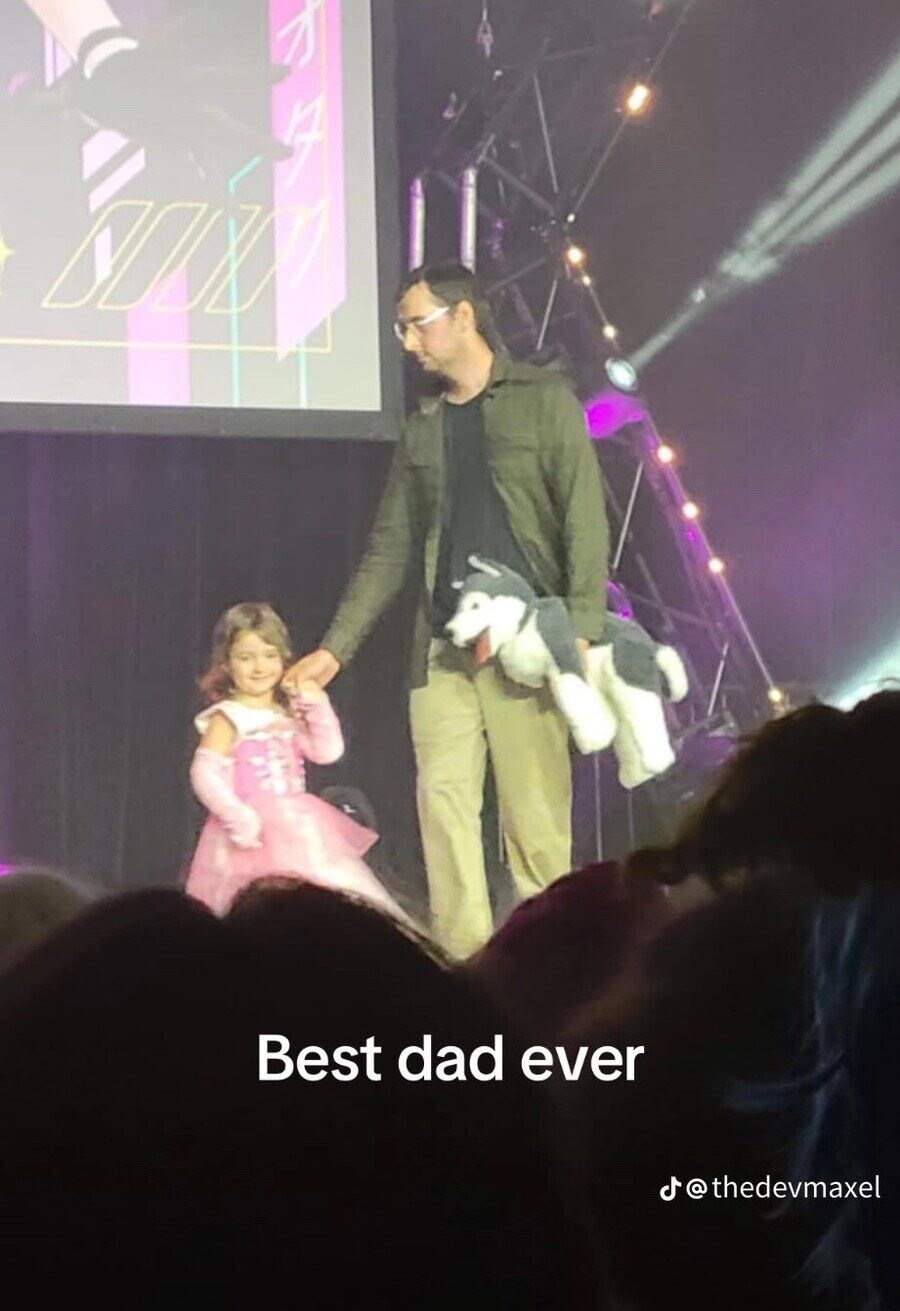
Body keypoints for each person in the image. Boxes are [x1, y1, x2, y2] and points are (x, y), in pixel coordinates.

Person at [284, 263, 609, 959]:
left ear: (464, 317)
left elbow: (584, 517)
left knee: (535, 817)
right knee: (444, 806)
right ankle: (465, 967)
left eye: (416, 324)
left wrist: (582, 627)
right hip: (441, 647)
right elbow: (390, 546)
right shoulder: (424, 426)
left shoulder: (543, 400)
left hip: (526, 641)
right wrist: (335, 648)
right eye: (401, 328)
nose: (408, 341)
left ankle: (551, 964)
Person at [185, 602, 406, 922]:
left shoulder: (286, 713)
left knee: (325, 901)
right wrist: (238, 817)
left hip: (301, 827)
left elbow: (328, 752)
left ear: (284, 658)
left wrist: (317, 707)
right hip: (249, 832)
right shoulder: (228, 717)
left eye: (269, 655)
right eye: (246, 658)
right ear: (226, 663)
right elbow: (204, 773)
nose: (259, 667)